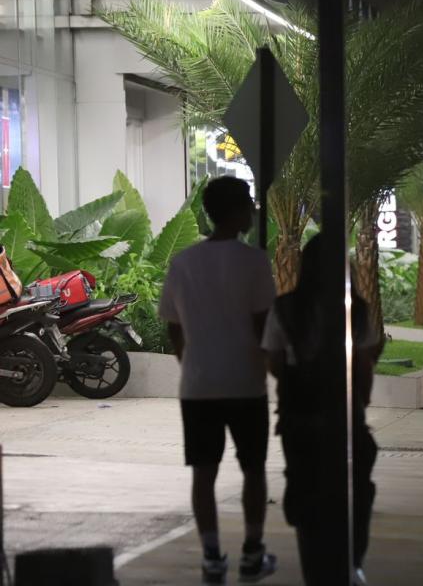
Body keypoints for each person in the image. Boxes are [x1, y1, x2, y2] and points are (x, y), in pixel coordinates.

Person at [158, 176, 277, 585]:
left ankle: (211, 556)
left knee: (204, 474)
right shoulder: (254, 262)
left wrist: (189, 360)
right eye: (248, 204)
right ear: (238, 210)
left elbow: (174, 326)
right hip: (245, 383)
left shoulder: (184, 262)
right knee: (254, 470)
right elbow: (265, 326)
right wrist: (265, 366)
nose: (252, 211)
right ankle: (252, 552)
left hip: (199, 384)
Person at [261, 235, 383, 586]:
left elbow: (273, 360)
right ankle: (352, 561)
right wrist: (362, 399)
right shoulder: (355, 309)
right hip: (345, 415)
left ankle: (313, 568)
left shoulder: (284, 307)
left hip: (297, 414)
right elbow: (365, 361)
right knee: (357, 489)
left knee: (304, 489)